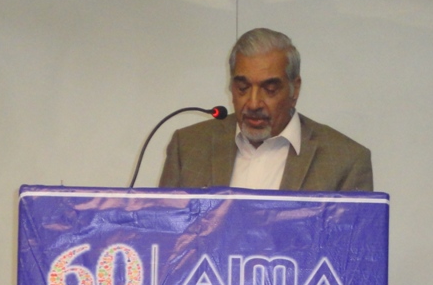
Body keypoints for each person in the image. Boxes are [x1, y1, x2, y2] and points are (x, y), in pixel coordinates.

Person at [159, 28, 373, 193]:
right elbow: (162, 230)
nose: (253, 103)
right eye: (242, 88)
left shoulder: (346, 161)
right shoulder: (187, 147)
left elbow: (353, 238)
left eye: (269, 89)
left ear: (295, 89)